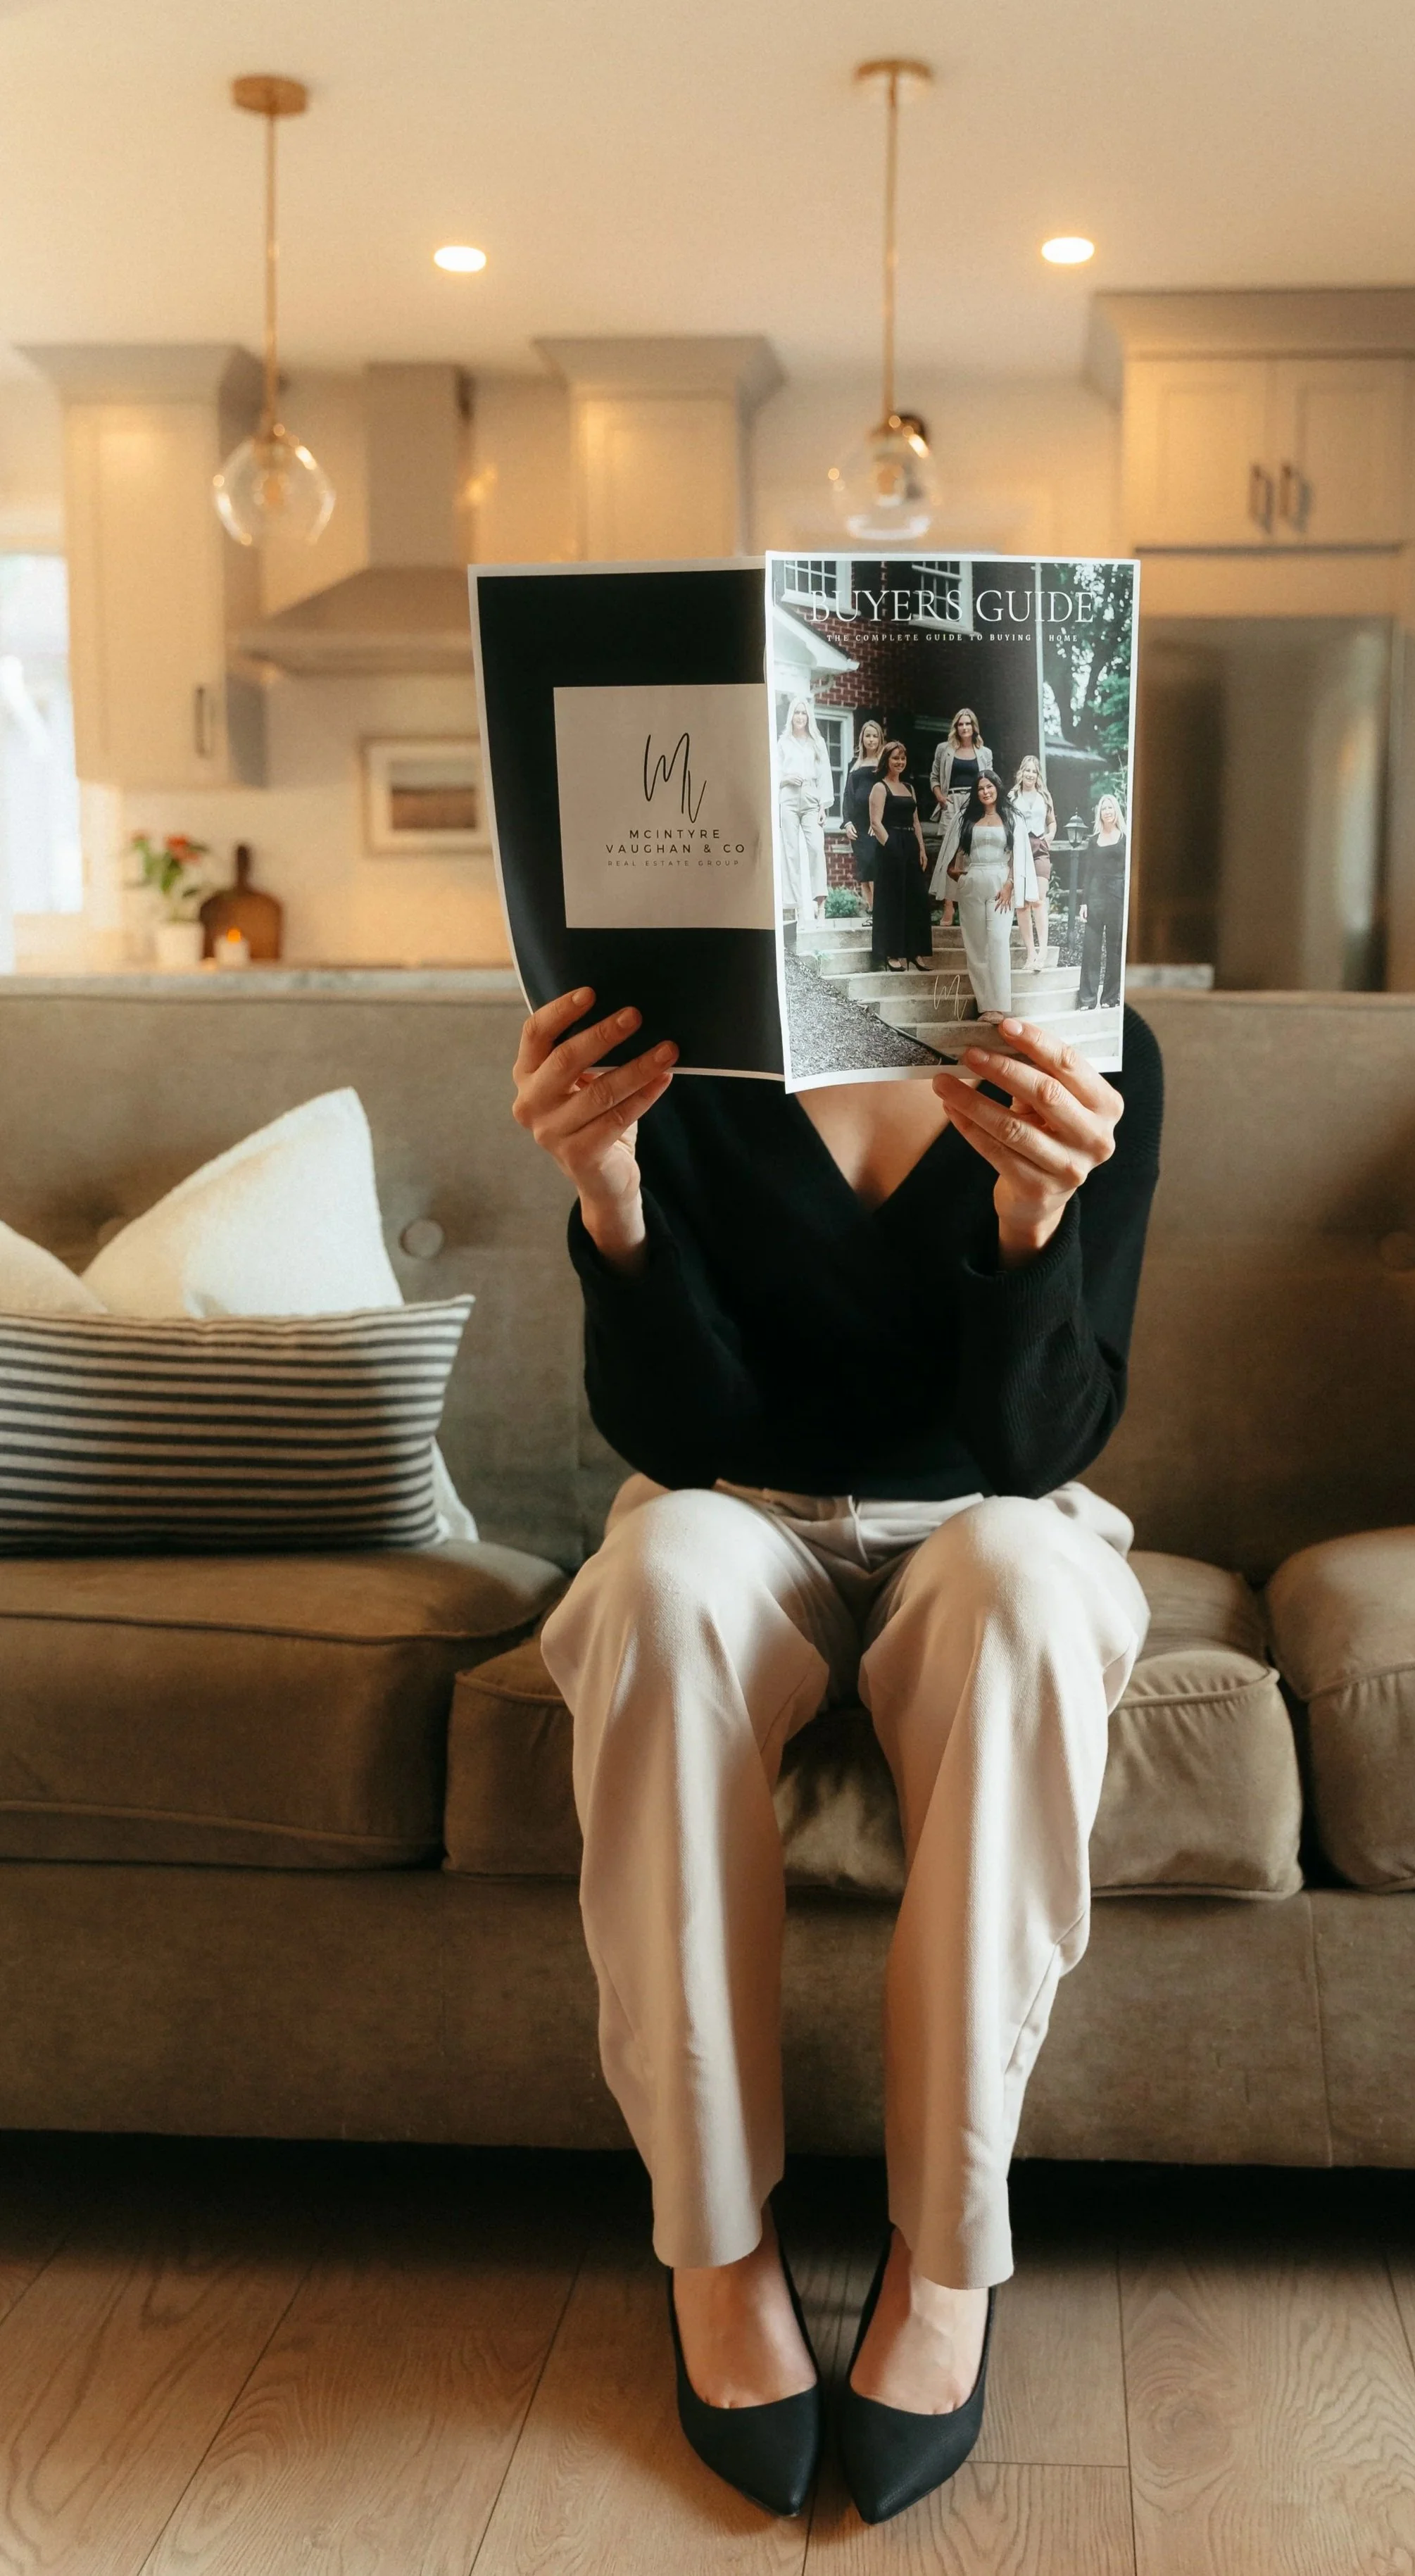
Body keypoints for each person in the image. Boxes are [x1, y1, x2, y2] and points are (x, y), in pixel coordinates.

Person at [510, 983, 1161, 2528]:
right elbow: (679, 1434)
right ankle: (715, 2240)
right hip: (737, 1507)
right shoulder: (664, 1034)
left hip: (991, 1519)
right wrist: (610, 1198)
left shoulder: (1097, 1045)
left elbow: (1037, 1448)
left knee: (1013, 1582)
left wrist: (1033, 1215)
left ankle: (945, 2258)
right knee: (663, 1580)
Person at [949, 769, 1018, 1025]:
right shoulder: (968, 821)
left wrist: (1010, 884)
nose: (985, 792)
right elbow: (952, 862)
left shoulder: (1010, 819)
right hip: (973, 884)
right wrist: (964, 880)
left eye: (989, 787)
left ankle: (999, 1006)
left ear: (997, 788)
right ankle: (985, 1006)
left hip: (1001, 884)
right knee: (977, 947)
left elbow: (1017, 856)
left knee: (998, 941)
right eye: (980, 789)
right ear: (976, 794)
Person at [867, 741, 932, 975]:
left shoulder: (909, 788)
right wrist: (892, 847)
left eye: (903, 758)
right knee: (893, 901)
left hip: (911, 845)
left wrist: (921, 849)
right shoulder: (880, 788)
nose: (900, 762)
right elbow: (875, 822)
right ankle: (892, 953)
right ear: (887, 760)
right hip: (890, 846)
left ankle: (915, 952)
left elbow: (915, 822)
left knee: (916, 899)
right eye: (895, 758)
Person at [928, 710, 993, 932]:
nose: (964, 728)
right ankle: (948, 905)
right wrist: (940, 797)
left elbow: (990, 782)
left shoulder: (984, 753)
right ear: (956, 727)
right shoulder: (944, 750)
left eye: (968, 724)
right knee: (949, 855)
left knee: (970, 854)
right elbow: (934, 777)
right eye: (960, 724)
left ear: (974, 727)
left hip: (974, 803)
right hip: (951, 802)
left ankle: (970, 904)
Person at [776, 700, 834, 921]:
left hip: (811, 797)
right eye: (796, 713)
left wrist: (823, 807)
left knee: (816, 849)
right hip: (788, 797)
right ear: (791, 715)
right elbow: (775, 773)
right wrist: (786, 778)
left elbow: (825, 775)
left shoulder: (817, 743)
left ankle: (820, 904)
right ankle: (796, 906)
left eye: (804, 713)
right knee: (790, 851)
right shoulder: (783, 743)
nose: (800, 717)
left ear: (809, 716)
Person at [1076, 794, 1129, 1014]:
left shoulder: (1125, 838)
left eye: (1111, 807)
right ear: (1100, 813)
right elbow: (1088, 873)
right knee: (1091, 949)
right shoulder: (1093, 840)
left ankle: (1110, 997)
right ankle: (1087, 1000)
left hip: (1117, 898)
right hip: (1095, 899)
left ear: (1116, 811)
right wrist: (1084, 903)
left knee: (1115, 950)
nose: (1107, 811)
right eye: (1104, 808)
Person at [1009, 756, 1058, 974]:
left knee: (1038, 899)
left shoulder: (1045, 796)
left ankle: (1043, 950)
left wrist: (1048, 838)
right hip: (1020, 849)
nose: (1030, 774)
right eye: (1027, 770)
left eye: (1034, 771)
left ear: (1038, 775)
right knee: (1022, 904)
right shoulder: (1012, 797)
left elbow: (1052, 822)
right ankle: (1031, 953)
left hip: (1039, 849)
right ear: (1021, 772)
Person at [841, 719, 886, 911]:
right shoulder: (855, 763)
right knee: (863, 870)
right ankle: (872, 910)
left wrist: (878, 821)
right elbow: (847, 795)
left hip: (874, 823)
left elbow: (887, 792)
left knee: (873, 866)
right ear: (862, 738)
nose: (871, 739)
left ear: (880, 738)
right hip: (858, 824)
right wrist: (847, 822)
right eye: (868, 735)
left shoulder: (884, 763)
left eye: (875, 735)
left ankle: (879, 914)